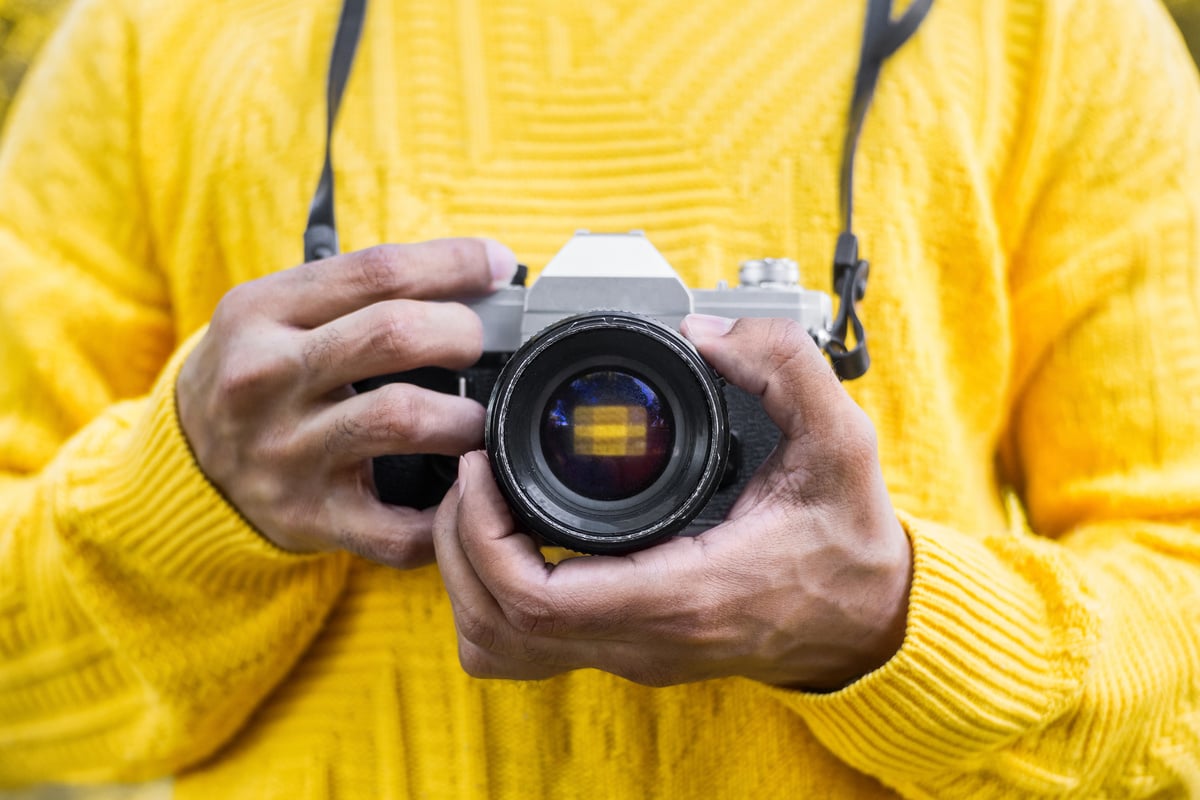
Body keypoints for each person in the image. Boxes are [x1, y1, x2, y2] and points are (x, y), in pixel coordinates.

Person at [2, 0, 1199, 797]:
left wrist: (888, 618)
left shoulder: (1056, 26)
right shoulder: (154, 32)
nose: (598, 440)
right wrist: (195, 486)